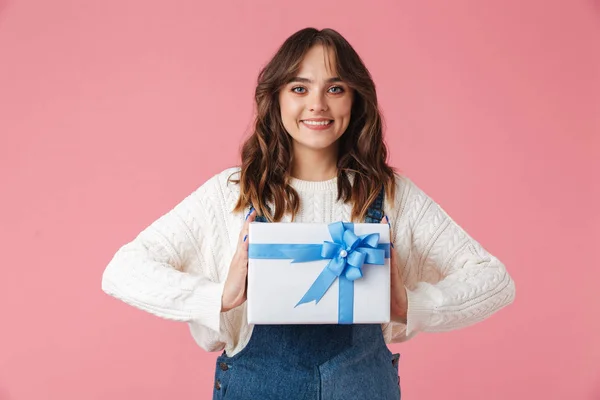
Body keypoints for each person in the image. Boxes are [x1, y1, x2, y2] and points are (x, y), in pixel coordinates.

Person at [101, 27, 516, 400]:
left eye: (335, 88)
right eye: (300, 88)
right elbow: (124, 270)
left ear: (355, 98)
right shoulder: (232, 194)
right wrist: (219, 298)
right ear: (277, 97)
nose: (317, 104)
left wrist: (410, 305)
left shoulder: (389, 195)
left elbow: (494, 280)